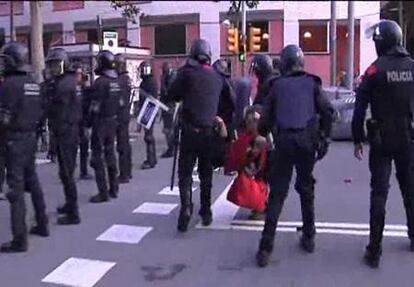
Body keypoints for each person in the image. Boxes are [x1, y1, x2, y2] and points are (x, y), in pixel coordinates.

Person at [255, 44, 334, 267]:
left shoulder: (276, 86)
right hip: (307, 143)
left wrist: (264, 131)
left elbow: (264, 122)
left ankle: (265, 248)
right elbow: (328, 111)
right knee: (306, 188)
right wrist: (324, 139)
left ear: (284, 63)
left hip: (284, 143)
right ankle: (309, 237)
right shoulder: (312, 83)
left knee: (278, 194)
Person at [351, 20, 414, 268]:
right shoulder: (412, 67)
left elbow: (359, 109)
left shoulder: (374, 71)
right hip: (407, 138)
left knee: (379, 193)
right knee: (410, 190)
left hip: (381, 139)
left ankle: (374, 250)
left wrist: (358, 138)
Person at [166, 39, 226, 232]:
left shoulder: (186, 73)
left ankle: (186, 208)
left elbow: (172, 95)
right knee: (206, 173)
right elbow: (229, 101)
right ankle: (206, 211)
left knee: (185, 173)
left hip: (190, 130)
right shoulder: (218, 77)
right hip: (209, 131)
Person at [0, 42, 49, 253]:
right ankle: (42, 223)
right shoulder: (33, 83)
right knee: (33, 182)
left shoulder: (9, 85)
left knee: (16, 189)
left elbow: (3, 118)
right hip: (30, 139)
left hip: (13, 140)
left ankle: (19, 239)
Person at [44, 48, 82, 225]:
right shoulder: (65, 81)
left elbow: (54, 108)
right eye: (50, 65)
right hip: (66, 131)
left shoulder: (64, 85)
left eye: (55, 65)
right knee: (64, 171)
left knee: (67, 172)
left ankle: (73, 213)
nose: (52, 69)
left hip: (66, 131)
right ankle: (69, 204)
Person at [88, 50, 121, 203]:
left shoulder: (100, 82)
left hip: (100, 122)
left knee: (97, 157)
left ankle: (103, 192)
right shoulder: (116, 81)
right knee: (110, 154)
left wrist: (88, 123)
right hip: (112, 121)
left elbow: (94, 106)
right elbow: (120, 103)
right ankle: (114, 188)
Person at [115, 53, 133, 183]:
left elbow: (118, 99)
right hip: (125, 113)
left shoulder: (120, 79)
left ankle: (124, 173)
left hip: (120, 114)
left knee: (122, 145)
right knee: (125, 144)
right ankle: (128, 171)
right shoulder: (125, 78)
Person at [138, 61, 158, 170]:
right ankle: (152, 159)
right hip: (149, 108)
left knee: (148, 136)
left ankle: (151, 160)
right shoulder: (149, 81)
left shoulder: (148, 82)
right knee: (149, 135)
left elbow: (149, 97)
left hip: (149, 109)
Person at [75, 65, 93, 180]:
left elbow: (89, 106)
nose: (78, 76)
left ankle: (83, 170)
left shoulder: (85, 89)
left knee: (84, 148)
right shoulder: (70, 87)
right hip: (72, 122)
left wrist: (88, 124)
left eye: (80, 74)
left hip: (83, 122)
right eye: (77, 74)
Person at [159, 62, 177, 159]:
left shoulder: (171, 77)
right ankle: (172, 147)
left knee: (168, 128)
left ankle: (171, 148)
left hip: (169, 104)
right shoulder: (166, 76)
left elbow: (167, 91)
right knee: (169, 127)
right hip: (166, 104)